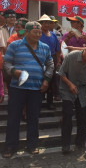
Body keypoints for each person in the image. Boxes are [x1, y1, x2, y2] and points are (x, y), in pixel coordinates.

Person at [2, 21, 54, 158]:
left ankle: (32, 145)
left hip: (36, 88)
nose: (38, 34)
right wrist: (14, 71)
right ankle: (10, 146)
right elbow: (6, 63)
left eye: (39, 32)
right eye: (35, 32)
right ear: (27, 32)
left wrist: (47, 80)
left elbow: (50, 64)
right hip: (17, 88)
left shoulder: (45, 47)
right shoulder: (15, 45)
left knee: (33, 118)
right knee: (14, 118)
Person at [58, 43, 86, 154]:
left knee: (83, 117)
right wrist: (70, 84)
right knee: (67, 115)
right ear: (85, 52)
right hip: (66, 88)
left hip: (81, 89)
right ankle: (65, 145)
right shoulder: (71, 56)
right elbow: (61, 73)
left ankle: (80, 142)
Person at [38, 14, 61, 110]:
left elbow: (57, 49)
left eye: (48, 22)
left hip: (52, 59)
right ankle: (38, 103)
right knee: (40, 80)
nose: (47, 24)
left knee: (52, 81)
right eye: (45, 22)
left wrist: (58, 61)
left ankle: (50, 102)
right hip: (40, 58)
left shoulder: (53, 35)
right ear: (41, 24)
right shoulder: (38, 34)